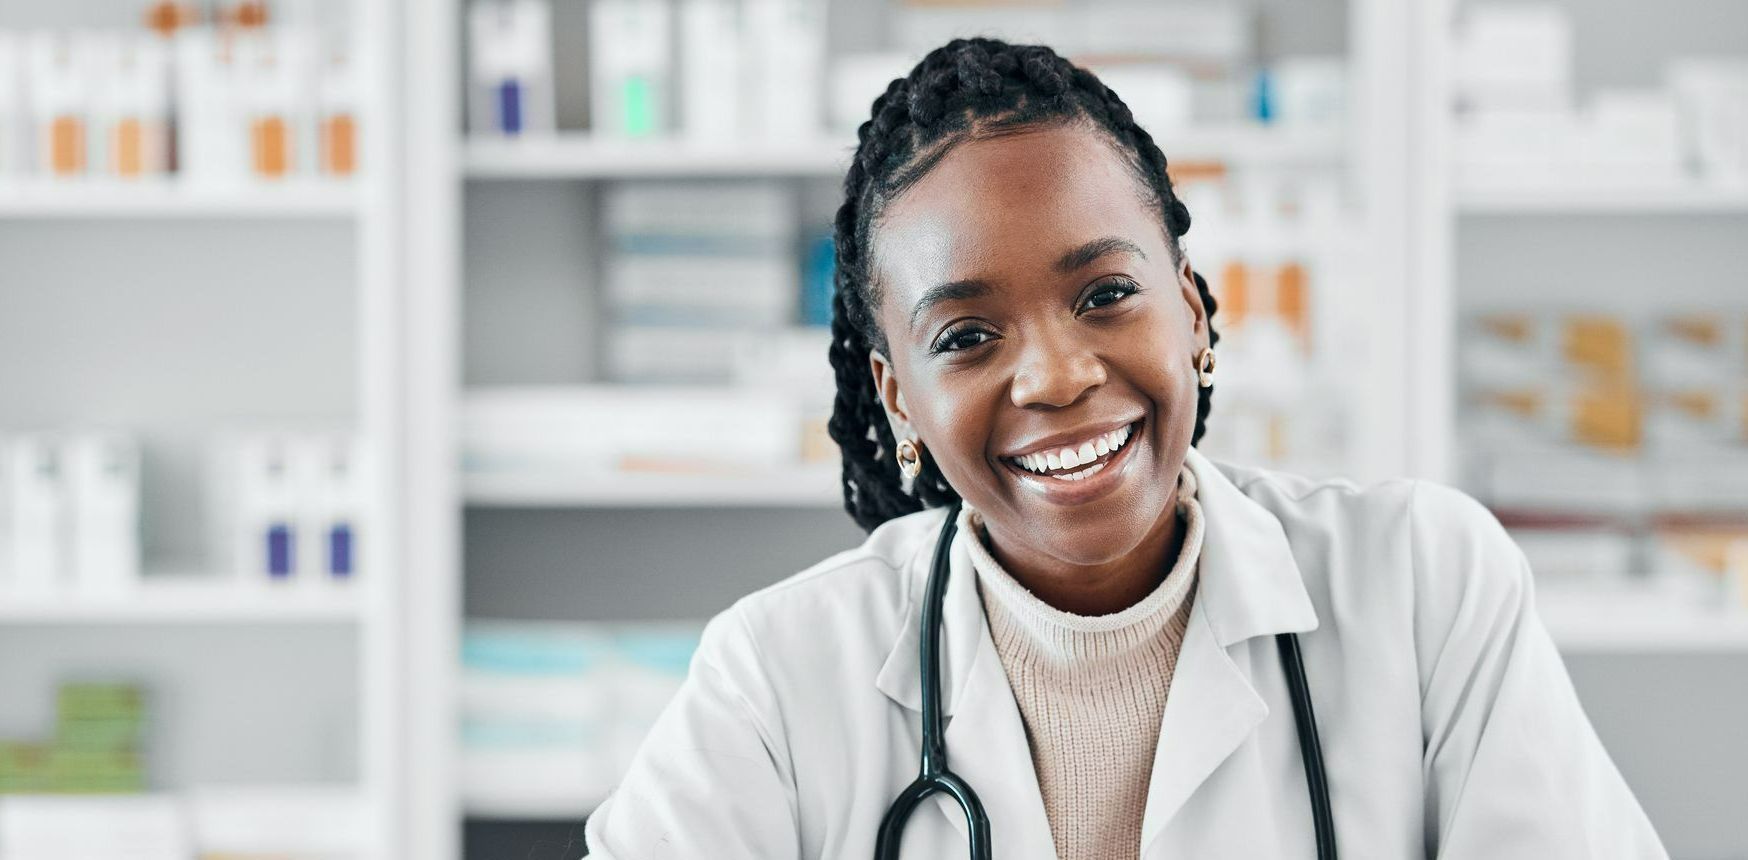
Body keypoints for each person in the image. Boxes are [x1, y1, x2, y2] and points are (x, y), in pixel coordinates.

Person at [583, 38, 1667, 859]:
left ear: (1193, 313)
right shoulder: (777, 677)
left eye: (1104, 293)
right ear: (897, 398)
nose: (1055, 375)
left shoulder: (1422, 583)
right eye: (964, 336)